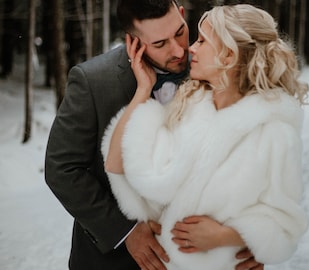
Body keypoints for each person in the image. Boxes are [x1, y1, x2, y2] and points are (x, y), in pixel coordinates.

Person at [45, 0, 263, 269]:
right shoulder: (93, 82)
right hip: (113, 262)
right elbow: (62, 169)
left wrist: (247, 238)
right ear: (133, 41)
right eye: (160, 44)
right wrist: (124, 230)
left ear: (182, 15)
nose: (179, 50)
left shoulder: (216, 68)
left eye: (180, 32)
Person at [102, 3, 309, 270]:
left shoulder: (275, 134)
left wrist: (226, 237)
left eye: (202, 41)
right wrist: (143, 90)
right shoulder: (187, 107)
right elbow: (117, 165)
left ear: (228, 55)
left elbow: (286, 224)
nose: (190, 48)